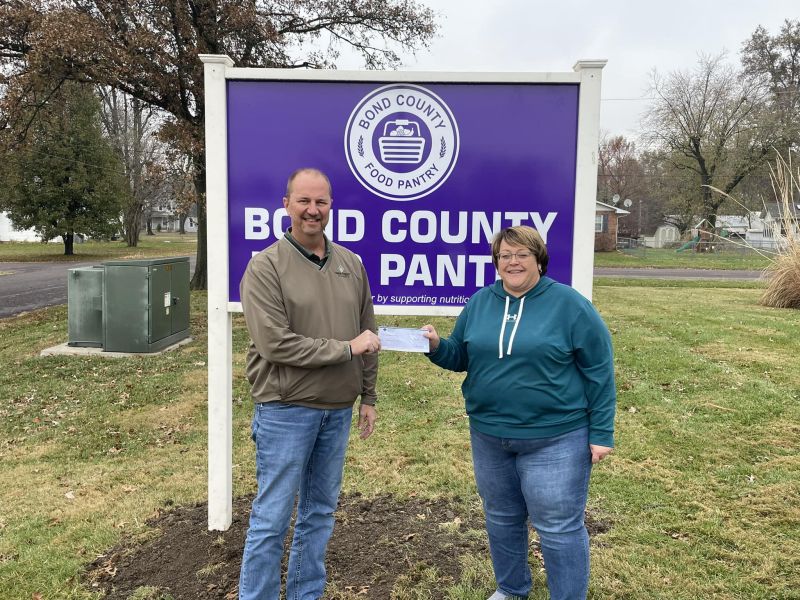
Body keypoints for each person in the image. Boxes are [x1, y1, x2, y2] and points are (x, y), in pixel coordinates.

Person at [422, 225, 616, 600]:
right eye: (505, 255)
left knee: (558, 527)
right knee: (501, 518)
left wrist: (601, 432)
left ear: (538, 259)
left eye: (521, 254)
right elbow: (461, 356)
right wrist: (435, 345)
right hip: (489, 435)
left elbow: (599, 370)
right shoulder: (480, 302)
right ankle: (511, 589)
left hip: (557, 437)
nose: (512, 262)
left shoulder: (570, 305)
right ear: (496, 262)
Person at [238, 168, 381, 600]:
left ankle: (306, 593)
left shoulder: (350, 264)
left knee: (319, 513)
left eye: (321, 202)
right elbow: (276, 344)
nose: (312, 210)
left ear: (330, 207)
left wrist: (368, 395)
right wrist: (345, 351)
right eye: (303, 201)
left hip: (336, 411)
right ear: (286, 205)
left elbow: (368, 333)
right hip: (286, 410)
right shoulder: (265, 267)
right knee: (272, 518)